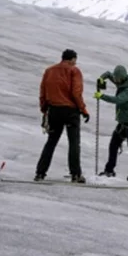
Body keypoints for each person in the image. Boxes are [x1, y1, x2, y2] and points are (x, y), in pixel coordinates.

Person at [35, 49, 90, 183]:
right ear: (72, 59)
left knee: (51, 142)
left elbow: (43, 91)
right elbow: (76, 93)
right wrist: (83, 110)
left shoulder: (49, 71)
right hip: (70, 111)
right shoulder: (74, 71)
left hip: (54, 110)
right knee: (74, 143)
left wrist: (44, 110)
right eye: (75, 60)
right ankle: (75, 174)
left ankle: (40, 173)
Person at [94, 65, 128, 182]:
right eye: (115, 79)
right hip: (122, 123)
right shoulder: (121, 82)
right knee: (113, 145)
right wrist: (102, 78)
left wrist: (102, 96)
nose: (115, 81)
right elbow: (108, 74)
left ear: (122, 78)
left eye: (117, 79)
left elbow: (118, 99)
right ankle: (109, 170)